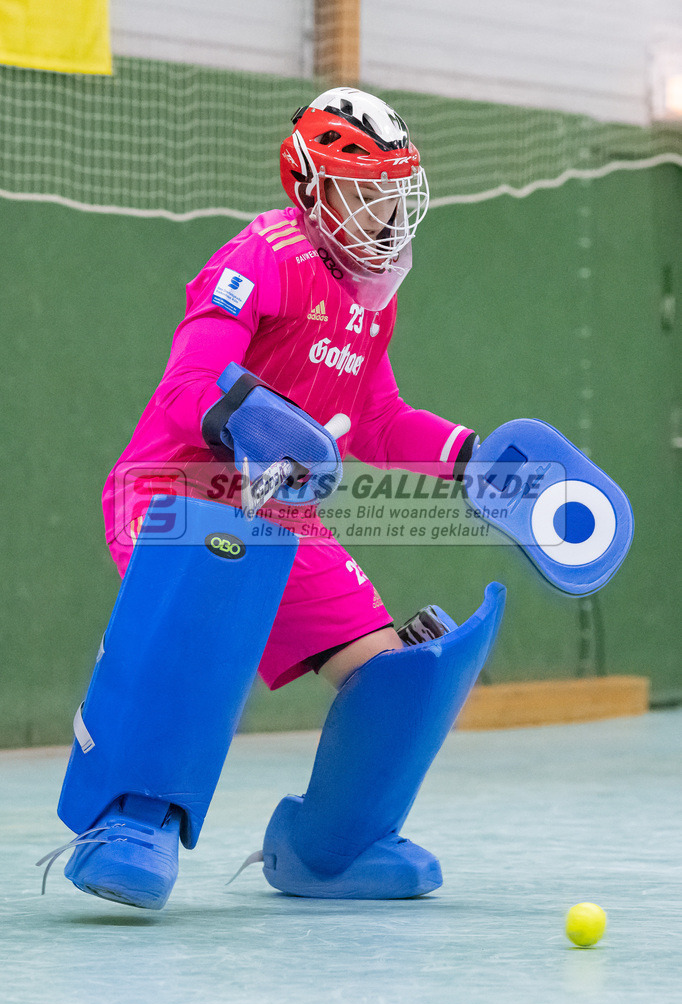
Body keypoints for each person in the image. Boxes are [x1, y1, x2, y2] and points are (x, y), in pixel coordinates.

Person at [46, 88, 505, 908]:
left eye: (394, 196)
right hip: (175, 489)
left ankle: (333, 848)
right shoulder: (259, 256)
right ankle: (128, 821)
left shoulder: (373, 300)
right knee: (201, 618)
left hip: (279, 506)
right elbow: (192, 383)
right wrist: (262, 416)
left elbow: (375, 419)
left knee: (396, 678)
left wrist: (471, 456)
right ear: (313, 190)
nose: (386, 217)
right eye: (366, 196)